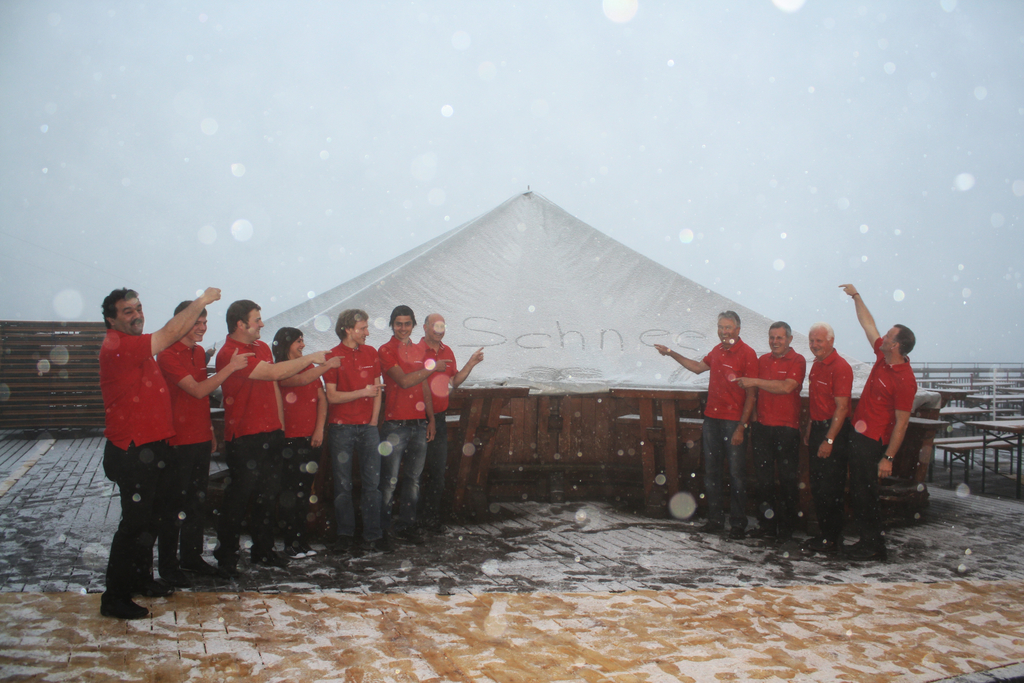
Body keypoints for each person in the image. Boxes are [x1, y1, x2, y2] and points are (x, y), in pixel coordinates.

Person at [98, 286, 220, 619]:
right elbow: (168, 334)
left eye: (138, 308)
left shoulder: (135, 347)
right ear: (111, 320)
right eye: (127, 311)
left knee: (150, 520)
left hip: (151, 447)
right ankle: (114, 597)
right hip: (131, 450)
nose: (137, 315)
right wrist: (201, 301)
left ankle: (141, 579)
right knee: (133, 525)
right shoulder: (119, 345)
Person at [213, 300, 328, 577]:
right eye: (257, 320)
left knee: (267, 497)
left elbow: (274, 387)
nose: (262, 324)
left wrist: (279, 426)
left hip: (271, 434)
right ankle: (226, 554)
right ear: (240, 324)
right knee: (239, 499)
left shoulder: (262, 347)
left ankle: (263, 551)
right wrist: (312, 358)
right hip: (244, 437)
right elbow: (276, 372)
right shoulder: (229, 353)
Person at [156, 301, 252, 583]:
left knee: (196, 503)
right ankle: (168, 566)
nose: (202, 328)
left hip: (198, 437)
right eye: (196, 323)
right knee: (174, 506)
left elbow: (201, 401)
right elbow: (198, 390)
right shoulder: (167, 354)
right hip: (176, 441)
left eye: (205, 322)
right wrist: (230, 367)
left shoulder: (198, 352)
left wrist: (209, 429)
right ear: (181, 323)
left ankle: (191, 557)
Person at [655, 311, 757, 539]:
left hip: (734, 421)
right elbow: (697, 367)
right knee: (711, 472)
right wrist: (671, 353)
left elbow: (752, 395)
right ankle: (715, 520)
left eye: (728, 327)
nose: (724, 331)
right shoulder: (717, 351)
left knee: (737, 474)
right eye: (721, 327)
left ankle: (738, 524)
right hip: (712, 419)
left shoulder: (748, 354)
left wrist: (742, 426)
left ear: (738, 329)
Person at [839, 284, 917, 561]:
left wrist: (888, 458)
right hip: (858, 432)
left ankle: (873, 546)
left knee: (866, 492)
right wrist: (856, 296)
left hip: (873, 441)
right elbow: (868, 325)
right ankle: (868, 541)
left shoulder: (905, 380)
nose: (882, 337)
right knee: (860, 491)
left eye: (888, 336)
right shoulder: (882, 357)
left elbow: (902, 424)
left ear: (895, 345)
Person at [378, 305, 448, 545]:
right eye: (398, 323)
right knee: (389, 481)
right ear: (392, 325)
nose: (403, 328)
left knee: (413, 479)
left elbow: (424, 386)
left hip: (419, 423)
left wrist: (431, 419)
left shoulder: (420, 349)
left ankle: (407, 526)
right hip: (395, 424)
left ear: (413, 325)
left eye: (407, 323)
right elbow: (405, 381)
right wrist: (431, 368)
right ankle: (383, 530)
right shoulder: (385, 350)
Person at [323, 309, 387, 553]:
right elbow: (331, 396)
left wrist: (373, 421)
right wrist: (362, 392)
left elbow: (377, 390)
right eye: (362, 328)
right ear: (348, 329)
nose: (367, 332)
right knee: (343, 484)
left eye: (366, 327)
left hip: (368, 427)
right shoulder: (332, 356)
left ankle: (373, 534)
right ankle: (345, 534)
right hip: (341, 427)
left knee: (373, 484)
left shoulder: (371, 353)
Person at [736, 322, 806, 544]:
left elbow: (787, 387)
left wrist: (755, 381)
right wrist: (754, 416)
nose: (775, 342)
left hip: (787, 428)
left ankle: (786, 529)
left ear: (790, 339)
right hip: (762, 428)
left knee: (787, 480)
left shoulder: (798, 360)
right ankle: (766, 526)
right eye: (772, 337)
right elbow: (754, 392)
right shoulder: (762, 360)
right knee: (763, 481)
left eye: (780, 338)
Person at [272, 327, 339, 560]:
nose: (302, 345)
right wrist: (326, 365)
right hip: (288, 440)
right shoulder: (280, 368)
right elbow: (299, 380)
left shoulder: (310, 367)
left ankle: (301, 540)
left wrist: (319, 429)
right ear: (286, 344)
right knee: (290, 492)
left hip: (311, 438)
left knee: (304, 491)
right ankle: (290, 542)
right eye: (298, 341)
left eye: (303, 340)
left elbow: (321, 399)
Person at [418, 313, 484, 534]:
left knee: (437, 473)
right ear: (425, 327)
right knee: (415, 473)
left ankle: (431, 519)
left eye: (442, 326)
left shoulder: (447, 352)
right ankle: (412, 521)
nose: (439, 329)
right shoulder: (416, 351)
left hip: (439, 417)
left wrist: (471, 363)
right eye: (435, 325)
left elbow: (453, 381)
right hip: (416, 419)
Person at [801, 322, 854, 555]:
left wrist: (829, 440)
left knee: (831, 487)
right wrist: (810, 428)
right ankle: (824, 534)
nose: (814, 345)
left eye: (819, 341)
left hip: (835, 432)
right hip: (818, 429)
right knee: (818, 485)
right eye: (812, 341)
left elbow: (842, 408)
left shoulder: (841, 367)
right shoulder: (816, 365)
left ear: (831, 341)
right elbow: (816, 401)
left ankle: (832, 539)